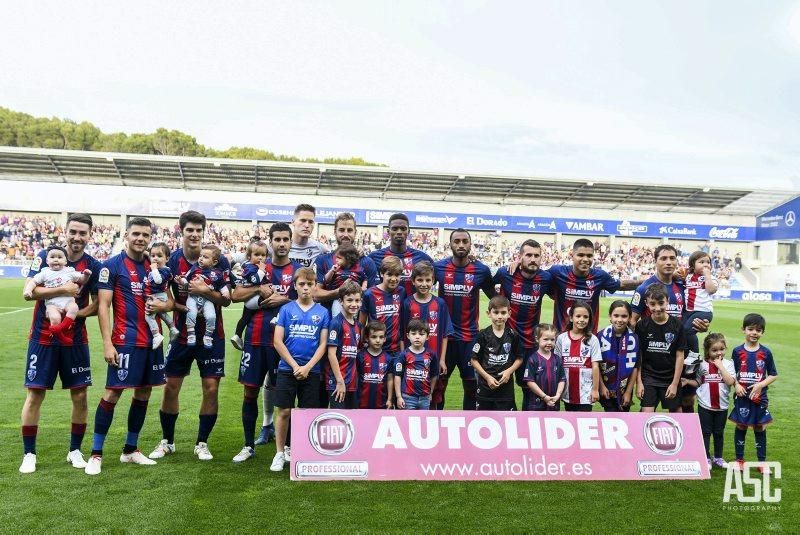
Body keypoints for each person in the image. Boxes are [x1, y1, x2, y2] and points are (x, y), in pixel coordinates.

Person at [85, 217, 169, 475]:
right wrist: (107, 343)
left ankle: (130, 450)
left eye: (145, 234)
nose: (141, 239)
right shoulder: (111, 266)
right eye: (136, 234)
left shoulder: (154, 264)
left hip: (152, 341)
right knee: (113, 393)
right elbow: (103, 306)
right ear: (126, 235)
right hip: (124, 342)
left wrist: (165, 306)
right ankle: (96, 454)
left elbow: (169, 301)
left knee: (143, 393)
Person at [19, 213, 102, 474]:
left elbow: (99, 303)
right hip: (42, 336)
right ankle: (29, 454)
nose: (77, 237)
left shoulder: (93, 265)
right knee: (35, 394)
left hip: (75, 340)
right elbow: (30, 291)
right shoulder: (46, 256)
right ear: (65, 232)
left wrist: (75, 317)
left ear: (90, 235)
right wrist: (62, 292)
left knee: (80, 395)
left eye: (83, 233)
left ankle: (75, 451)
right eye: (73, 232)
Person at [150, 211, 232, 463]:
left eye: (198, 230)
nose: (194, 234)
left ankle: (202, 443)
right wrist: (175, 307)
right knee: (171, 386)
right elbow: (165, 294)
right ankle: (168, 441)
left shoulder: (219, 259)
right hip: (182, 335)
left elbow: (226, 300)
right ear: (181, 231)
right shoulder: (173, 260)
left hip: (211, 334)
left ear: (203, 232)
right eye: (189, 230)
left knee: (211, 388)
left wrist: (205, 291)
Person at [230, 225, 299, 462]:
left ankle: (287, 447)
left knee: (285, 395)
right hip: (256, 339)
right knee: (250, 391)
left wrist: (285, 298)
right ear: (270, 242)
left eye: (285, 239)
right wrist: (260, 289)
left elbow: (306, 297)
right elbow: (235, 295)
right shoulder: (257, 266)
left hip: (284, 343)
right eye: (277, 239)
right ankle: (248, 446)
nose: (281, 243)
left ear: (291, 242)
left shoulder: (297, 270)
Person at [631, 244, 709, 414]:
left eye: (672, 258)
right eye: (663, 258)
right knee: (648, 405)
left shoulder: (683, 285)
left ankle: (688, 438)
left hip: (681, 353)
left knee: (687, 398)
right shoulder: (644, 288)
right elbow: (632, 321)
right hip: (654, 357)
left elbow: (694, 312)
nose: (668, 262)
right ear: (655, 261)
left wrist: (701, 325)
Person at [271, 267, 330, 472]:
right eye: (301, 284)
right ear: (295, 286)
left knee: (307, 414)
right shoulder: (286, 310)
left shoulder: (323, 312)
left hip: (311, 371)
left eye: (309, 284)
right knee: (284, 411)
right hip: (288, 369)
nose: (305, 288)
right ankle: (279, 453)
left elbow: (323, 344)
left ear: (315, 286)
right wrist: (296, 366)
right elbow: (278, 341)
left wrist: (308, 367)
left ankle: (303, 453)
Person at [434, 229, 495, 410]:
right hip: (445, 338)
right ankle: (437, 421)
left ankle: (468, 424)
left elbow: (495, 297)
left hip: (469, 339)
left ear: (470, 245)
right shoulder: (438, 268)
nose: (461, 245)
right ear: (450, 244)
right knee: (439, 386)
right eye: (456, 241)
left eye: (464, 241)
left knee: (471, 386)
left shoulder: (481, 270)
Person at [494, 239, 553, 408]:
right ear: (520, 257)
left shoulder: (546, 278)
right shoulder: (505, 273)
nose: (533, 259)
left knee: (529, 386)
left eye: (537, 255)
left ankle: (527, 422)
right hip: (505, 341)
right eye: (528, 255)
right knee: (502, 384)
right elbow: (486, 284)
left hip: (530, 343)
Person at [547, 238, 639, 333]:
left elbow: (622, 285)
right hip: (562, 338)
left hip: (589, 339)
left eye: (589, 256)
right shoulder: (557, 272)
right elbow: (540, 281)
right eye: (581, 255)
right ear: (572, 255)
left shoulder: (600, 276)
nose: (585, 259)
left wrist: (647, 282)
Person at [729, 314, 778, 472]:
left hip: (759, 398)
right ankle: (739, 460)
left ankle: (762, 463)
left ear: (762, 332)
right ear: (743, 330)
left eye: (758, 330)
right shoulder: (737, 351)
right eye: (750, 329)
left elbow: (773, 374)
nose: (754, 333)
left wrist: (760, 385)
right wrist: (736, 385)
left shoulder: (766, 352)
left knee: (759, 428)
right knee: (741, 426)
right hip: (742, 398)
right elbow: (732, 373)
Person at [401, 261, 454, 409]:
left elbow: (444, 334)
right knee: (409, 400)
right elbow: (402, 334)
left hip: (432, 361)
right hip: (411, 362)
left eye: (428, 280)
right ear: (413, 281)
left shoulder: (440, 304)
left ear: (433, 281)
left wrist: (442, 360)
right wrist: (402, 356)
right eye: (420, 280)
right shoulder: (407, 303)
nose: (424, 284)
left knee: (432, 399)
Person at [682, 333, 735, 470]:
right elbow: (699, 382)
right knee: (705, 432)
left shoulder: (728, 364)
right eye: (714, 350)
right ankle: (705, 457)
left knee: (719, 432)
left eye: (722, 349)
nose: (719, 353)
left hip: (722, 406)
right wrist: (688, 381)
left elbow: (730, 381)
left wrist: (720, 367)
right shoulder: (702, 365)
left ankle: (718, 457)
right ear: (707, 350)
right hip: (705, 405)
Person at [23, 245, 92, 344]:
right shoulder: (44, 273)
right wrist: (28, 291)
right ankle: (60, 336)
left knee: (74, 308)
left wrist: (86, 275)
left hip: (68, 301)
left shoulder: (69, 271)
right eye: (52, 257)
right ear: (47, 261)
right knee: (55, 318)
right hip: (52, 303)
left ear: (65, 261)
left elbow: (82, 280)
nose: (56, 259)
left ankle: (59, 328)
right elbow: (33, 282)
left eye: (60, 257)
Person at [635, 285, 687, 413]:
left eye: (661, 303)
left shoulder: (677, 325)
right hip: (649, 378)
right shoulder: (642, 325)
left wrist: (675, 384)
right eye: (652, 304)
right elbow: (639, 356)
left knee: (677, 417)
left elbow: (680, 356)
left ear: (668, 301)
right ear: (646, 303)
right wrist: (639, 382)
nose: (657, 308)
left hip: (670, 378)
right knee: (646, 416)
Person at [314, 212, 377, 311]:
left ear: (355, 233)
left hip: (356, 323)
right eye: (342, 230)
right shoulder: (323, 260)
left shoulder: (367, 262)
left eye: (350, 230)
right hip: (329, 323)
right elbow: (315, 295)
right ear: (335, 232)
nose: (346, 234)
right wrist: (339, 292)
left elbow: (371, 297)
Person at [471, 296, 524, 411]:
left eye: (503, 312)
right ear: (489, 313)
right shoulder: (483, 335)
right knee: (483, 420)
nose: (500, 316)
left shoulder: (513, 335)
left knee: (507, 422)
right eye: (496, 312)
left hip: (505, 389)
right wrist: (487, 377)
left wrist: (509, 371)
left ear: (509, 313)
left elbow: (520, 358)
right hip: (486, 387)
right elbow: (474, 360)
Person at [177, 244, 229, 348]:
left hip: (208, 300)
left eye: (205, 257)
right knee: (191, 313)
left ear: (214, 262)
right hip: (193, 297)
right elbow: (186, 279)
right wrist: (181, 280)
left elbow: (222, 285)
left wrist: (226, 292)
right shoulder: (194, 269)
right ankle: (191, 334)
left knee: (211, 316)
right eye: (200, 256)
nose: (201, 259)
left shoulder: (217, 273)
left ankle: (208, 336)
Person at [368, 213, 433, 295]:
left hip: (410, 307)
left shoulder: (422, 257)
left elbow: (433, 279)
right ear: (388, 232)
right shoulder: (374, 257)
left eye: (403, 229)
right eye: (395, 229)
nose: (399, 232)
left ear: (408, 232)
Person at [554, 300, 602, 411]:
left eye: (585, 317)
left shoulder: (593, 339)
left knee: (584, 423)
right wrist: (558, 389)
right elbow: (557, 364)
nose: (581, 320)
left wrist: (595, 389)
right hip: (567, 391)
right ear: (571, 318)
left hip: (585, 392)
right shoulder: (562, 338)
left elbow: (595, 366)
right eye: (578, 316)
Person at [326, 280, 363, 409]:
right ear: (341, 301)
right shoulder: (336, 323)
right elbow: (331, 355)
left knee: (352, 422)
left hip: (352, 383)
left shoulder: (358, 325)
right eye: (349, 300)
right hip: (337, 382)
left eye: (357, 300)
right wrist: (340, 381)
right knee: (339, 421)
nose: (354, 304)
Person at [597, 301, 639, 412]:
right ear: (610, 316)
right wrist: (601, 386)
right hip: (606, 387)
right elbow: (595, 364)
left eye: (624, 316)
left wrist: (629, 392)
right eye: (616, 315)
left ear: (630, 317)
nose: (620, 320)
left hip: (624, 390)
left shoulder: (634, 339)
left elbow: (635, 366)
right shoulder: (601, 336)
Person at [360, 256, 405, 355]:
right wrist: (361, 344)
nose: (393, 279)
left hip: (395, 349)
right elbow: (361, 323)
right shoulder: (369, 294)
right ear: (381, 273)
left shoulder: (401, 292)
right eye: (389, 274)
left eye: (397, 275)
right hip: (375, 348)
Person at [230, 240, 268, 351]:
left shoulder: (251, 266)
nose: (260, 258)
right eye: (256, 255)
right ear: (249, 256)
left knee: (245, 318)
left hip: (250, 298)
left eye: (263, 255)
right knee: (272, 299)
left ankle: (237, 335)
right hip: (253, 298)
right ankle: (275, 318)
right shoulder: (251, 267)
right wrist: (261, 271)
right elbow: (255, 280)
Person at [394, 319, 439, 410]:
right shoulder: (403, 355)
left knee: (423, 423)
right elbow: (397, 376)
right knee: (408, 423)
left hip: (425, 398)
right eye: (414, 334)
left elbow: (434, 375)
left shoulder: (431, 355)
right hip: (408, 397)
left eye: (421, 334)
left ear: (427, 337)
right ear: (408, 336)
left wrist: (430, 393)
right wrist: (399, 396)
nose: (417, 337)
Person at [683, 251, 717, 361]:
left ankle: (695, 354)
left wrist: (707, 275)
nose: (706, 264)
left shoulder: (710, 278)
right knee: (683, 332)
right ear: (693, 265)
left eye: (708, 262)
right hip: (688, 311)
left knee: (688, 330)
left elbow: (711, 290)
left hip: (703, 311)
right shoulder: (688, 277)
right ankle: (687, 353)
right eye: (701, 262)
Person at [522, 324, 565, 411]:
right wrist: (544, 396)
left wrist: (558, 395)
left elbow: (562, 379)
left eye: (552, 340)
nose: (549, 342)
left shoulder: (557, 359)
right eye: (545, 339)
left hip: (554, 402)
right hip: (536, 405)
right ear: (537, 339)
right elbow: (529, 381)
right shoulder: (532, 359)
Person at [145, 242, 179, 349]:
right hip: (157, 295)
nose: (155, 258)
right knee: (163, 314)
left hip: (158, 296)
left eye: (159, 256)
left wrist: (154, 269)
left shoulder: (165, 270)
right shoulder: (159, 268)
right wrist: (147, 254)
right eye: (153, 256)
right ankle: (173, 328)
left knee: (148, 316)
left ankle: (156, 335)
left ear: (167, 259)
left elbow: (158, 281)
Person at [318, 243, 368, 317]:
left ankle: (351, 328)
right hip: (338, 299)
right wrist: (332, 271)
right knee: (337, 316)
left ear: (348, 259)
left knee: (352, 318)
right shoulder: (336, 268)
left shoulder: (358, 269)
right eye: (336, 257)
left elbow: (365, 278)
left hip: (353, 298)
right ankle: (338, 327)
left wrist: (363, 288)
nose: (336, 260)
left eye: (339, 258)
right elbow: (326, 281)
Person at [356, 321, 394, 409]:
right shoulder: (360, 357)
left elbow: (389, 380)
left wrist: (389, 399)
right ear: (366, 338)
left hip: (381, 404)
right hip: (361, 404)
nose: (378, 340)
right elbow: (356, 379)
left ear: (385, 339)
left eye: (381, 337)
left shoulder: (389, 359)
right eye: (374, 337)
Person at [288, 203, 328, 268]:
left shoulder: (320, 248)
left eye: (310, 222)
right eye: (303, 220)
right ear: (293, 222)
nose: (307, 225)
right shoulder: (280, 246)